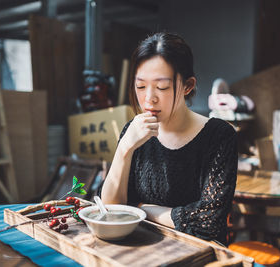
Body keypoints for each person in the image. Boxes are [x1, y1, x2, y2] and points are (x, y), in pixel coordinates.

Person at [101, 32, 238, 246]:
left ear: (188, 86)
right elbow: (109, 209)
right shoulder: (134, 130)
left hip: (198, 256)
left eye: (162, 87)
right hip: (141, 251)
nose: (149, 98)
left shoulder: (220, 136)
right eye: (140, 86)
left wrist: (142, 209)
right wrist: (125, 148)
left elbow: (209, 222)